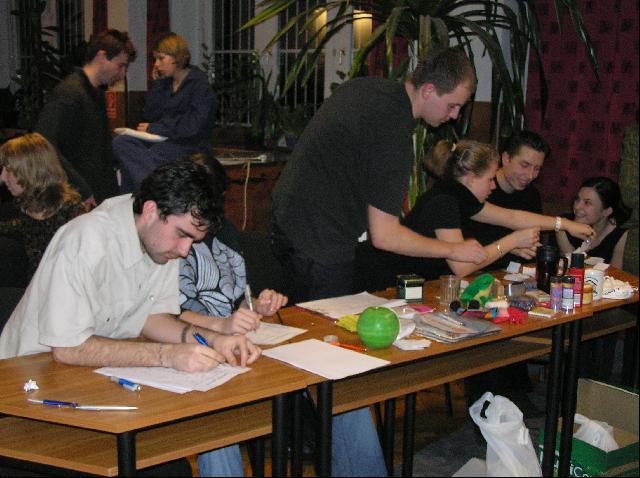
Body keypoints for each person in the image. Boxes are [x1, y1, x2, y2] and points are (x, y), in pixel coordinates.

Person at [0, 159, 260, 375]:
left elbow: (152, 318)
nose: (184, 250)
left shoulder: (159, 242)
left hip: (84, 372)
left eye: (193, 240)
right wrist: (168, 355)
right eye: (182, 234)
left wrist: (216, 340)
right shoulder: (86, 239)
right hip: (26, 376)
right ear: (151, 211)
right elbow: (68, 348)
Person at [271, 47, 487, 305]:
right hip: (320, 243)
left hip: (286, 222)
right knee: (321, 327)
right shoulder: (393, 133)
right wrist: (454, 249)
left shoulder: (367, 87)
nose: (454, 116)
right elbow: (385, 236)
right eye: (452, 105)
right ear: (428, 90)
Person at [177, 153, 288, 477]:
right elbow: (164, 316)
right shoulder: (172, 235)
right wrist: (222, 325)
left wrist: (256, 307)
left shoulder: (224, 231)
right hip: (193, 348)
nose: (211, 215)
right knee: (219, 419)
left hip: (234, 347)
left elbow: (237, 299)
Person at [356, 140, 594, 288]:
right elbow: (462, 266)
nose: (493, 185)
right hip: (380, 281)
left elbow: (511, 217)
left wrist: (564, 224)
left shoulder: (460, 194)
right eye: (489, 179)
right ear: (470, 178)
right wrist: (512, 241)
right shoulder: (445, 202)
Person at [36, 29, 137, 207]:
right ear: (101, 57)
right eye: (120, 65)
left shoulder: (95, 93)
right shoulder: (69, 93)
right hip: (80, 197)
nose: (122, 74)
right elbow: (44, 143)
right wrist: (81, 189)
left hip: (97, 194)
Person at [114, 32, 218, 193]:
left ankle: (150, 191)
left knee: (148, 157)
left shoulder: (199, 85)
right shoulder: (166, 83)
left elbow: (192, 126)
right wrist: (157, 84)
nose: (156, 64)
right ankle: (149, 190)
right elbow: (150, 115)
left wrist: (157, 128)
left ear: (177, 57)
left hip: (189, 145)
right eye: (155, 59)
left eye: (161, 58)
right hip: (162, 140)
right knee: (121, 142)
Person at [0, 133, 86, 281]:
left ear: (30, 171)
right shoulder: (22, 206)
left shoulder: (72, 215)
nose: (2, 177)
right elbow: (18, 227)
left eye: (8, 170)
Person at [468, 130, 550, 269]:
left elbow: (534, 238)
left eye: (537, 168)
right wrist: (511, 246)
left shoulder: (532, 194)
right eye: (524, 165)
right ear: (506, 159)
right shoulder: (480, 189)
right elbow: (468, 242)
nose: (530, 175)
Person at [555, 176, 630, 269]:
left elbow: (616, 274)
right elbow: (566, 268)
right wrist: (560, 228)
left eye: (587, 203)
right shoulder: (563, 224)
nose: (577, 207)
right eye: (577, 199)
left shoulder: (619, 234)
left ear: (606, 211)